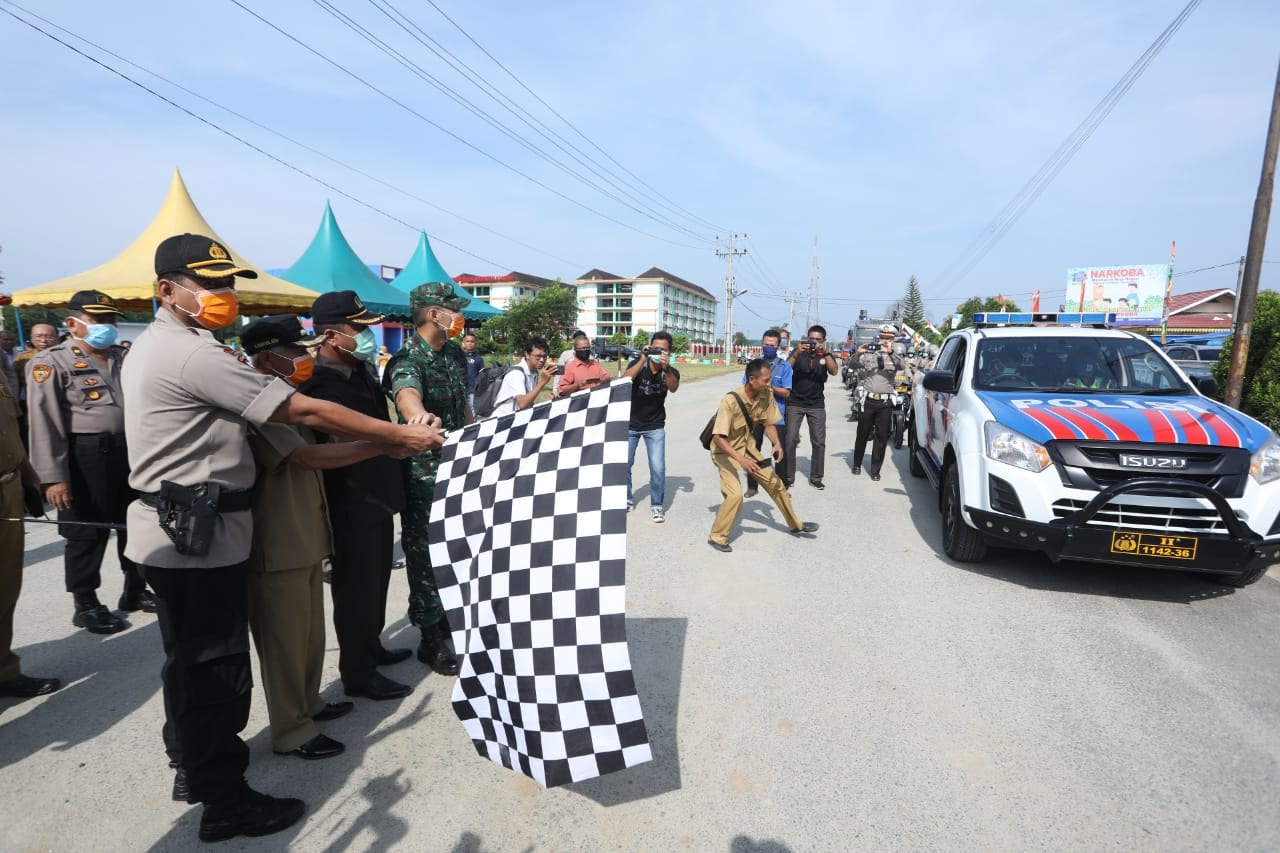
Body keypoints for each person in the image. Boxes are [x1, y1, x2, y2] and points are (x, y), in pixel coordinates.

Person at [123, 233, 443, 843]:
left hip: (193, 524)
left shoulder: (175, 345)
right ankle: (223, 799)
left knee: (193, 663)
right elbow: (304, 415)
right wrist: (399, 437)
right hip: (198, 530)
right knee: (213, 669)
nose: (224, 296)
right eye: (209, 285)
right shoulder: (194, 355)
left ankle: (193, 767)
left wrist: (386, 440)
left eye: (227, 284)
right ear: (167, 291)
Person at [242, 315, 414, 759]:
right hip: (278, 532)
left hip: (305, 527)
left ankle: (309, 703)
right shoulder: (260, 402)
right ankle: (291, 729)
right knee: (284, 639)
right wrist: (387, 442)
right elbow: (303, 455)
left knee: (307, 632)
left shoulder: (288, 394)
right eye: (293, 351)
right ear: (267, 357)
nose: (303, 358)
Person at [299, 290, 413, 702]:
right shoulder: (318, 381)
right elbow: (338, 437)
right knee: (355, 588)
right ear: (331, 335)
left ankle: (372, 646)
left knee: (376, 579)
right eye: (358, 328)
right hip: (350, 498)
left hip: (378, 493)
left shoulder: (359, 369)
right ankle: (358, 672)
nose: (366, 335)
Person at [26, 291, 153, 634]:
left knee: (135, 524)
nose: (107, 327)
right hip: (85, 456)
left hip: (129, 452)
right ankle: (86, 603)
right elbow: (44, 423)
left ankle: (135, 590)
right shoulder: (51, 362)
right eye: (99, 321)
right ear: (72, 324)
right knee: (86, 532)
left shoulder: (124, 356)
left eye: (111, 320)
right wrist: (52, 477)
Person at [384, 282, 473, 675]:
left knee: (459, 547)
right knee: (424, 554)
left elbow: (463, 403)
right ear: (435, 314)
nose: (460, 317)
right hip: (425, 477)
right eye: (454, 309)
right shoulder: (407, 359)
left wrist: (476, 436)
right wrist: (415, 414)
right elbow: (407, 394)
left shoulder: (453, 352)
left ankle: (451, 617)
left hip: (459, 466)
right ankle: (430, 637)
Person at [707, 358, 818, 552]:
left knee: (776, 485)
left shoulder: (766, 394)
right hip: (724, 451)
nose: (770, 384)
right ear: (752, 379)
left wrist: (776, 443)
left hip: (746, 448)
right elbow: (718, 438)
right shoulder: (730, 400)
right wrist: (740, 460)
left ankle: (795, 525)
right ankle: (717, 536)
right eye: (766, 380)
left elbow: (768, 422)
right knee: (734, 495)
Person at [0, 365, 61, 699]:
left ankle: (4, 671)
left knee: (6, 588)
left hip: (8, 485)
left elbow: (10, 427)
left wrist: (29, 475)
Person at [622, 331, 680, 523]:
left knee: (657, 468)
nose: (659, 352)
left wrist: (666, 368)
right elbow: (625, 379)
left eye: (663, 349)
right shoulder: (638, 364)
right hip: (630, 424)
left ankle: (657, 505)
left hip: (654, 425)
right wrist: (642, 358)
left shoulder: (670, 371)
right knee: (625, 464)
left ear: (669, 351)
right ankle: (626, 499)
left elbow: (673, 387)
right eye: (655, 348)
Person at [785, 324, 838, 490]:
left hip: (816, 403)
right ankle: (788, 476)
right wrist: (797, 352)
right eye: (811, 338)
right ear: (807, 338)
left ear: (823, 340)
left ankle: (816, 477)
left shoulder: (825, 355)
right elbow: (786, 367)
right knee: (790, 439)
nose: (814, 342)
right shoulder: (798, 351)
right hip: (795, 402)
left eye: (818, 339)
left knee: (819, 442)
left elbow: (834, 371)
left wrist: (826, 352)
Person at [852, 325, 907, 482]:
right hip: (868, 400)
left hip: (885, 402)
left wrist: (890, 352)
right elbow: (852, 365)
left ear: (893, 339)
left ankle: (875, 469)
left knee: (882, 436)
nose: (885, 340)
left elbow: (903, 366)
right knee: (862, 433)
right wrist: (858, 353)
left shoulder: (895, 356)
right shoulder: (870, 354)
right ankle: (857, 463)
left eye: (888, 337)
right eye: (883, 336)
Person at [744, 328, 792, 498]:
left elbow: (787, 393)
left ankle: (782, 487)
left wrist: (771, 387)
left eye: (772, 345)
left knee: (779, 451)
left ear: (778, 346)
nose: (768, 347)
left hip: (776, 415)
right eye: (766, 344)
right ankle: (752, 486)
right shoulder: (754, 366)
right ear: (762, 344)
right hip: (756, 416)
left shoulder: (785, 367)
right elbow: (745, 388)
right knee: (752, 449)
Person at [491, 336, 556, 417]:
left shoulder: (534, 372)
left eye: (544, 356)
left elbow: (529, 401)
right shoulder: (517, 373)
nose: (542, 360)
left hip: (516, 418)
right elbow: (522, 404)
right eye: (538, 356)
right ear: (527, 354)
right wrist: (542, 382)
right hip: (502, 419)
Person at [558, 330, 611, 397]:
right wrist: (576, 385)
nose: (585, 350)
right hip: (580, 404)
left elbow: (607, 377)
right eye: (582, 348)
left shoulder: (594, 363)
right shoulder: (570, 368)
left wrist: (604, 379)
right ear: (575, 350)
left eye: (587, 348)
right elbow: (562, 390)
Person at [460, 331, 485, 411]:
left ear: (475, 343)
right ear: (463, 342)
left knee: (472, 413)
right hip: (459, 391)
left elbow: (482, 376)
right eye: (467, 341)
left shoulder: (479, 359)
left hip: (472, 391)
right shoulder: (457, 356)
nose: (470, 343)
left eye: (472, 341)